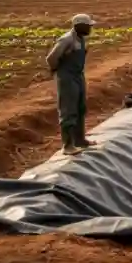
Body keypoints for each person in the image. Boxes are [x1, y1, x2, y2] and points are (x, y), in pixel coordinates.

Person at [46, 14, 96, 156]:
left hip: (78, 76)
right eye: (88, 26)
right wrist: (57, 70)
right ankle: (67, 145)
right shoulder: (66, 40)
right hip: (67, 77)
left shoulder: (80, 39)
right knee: (68, 110)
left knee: (80, 107)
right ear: (79, 26)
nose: (90, 29)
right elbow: (51, 58)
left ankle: (80, 140)